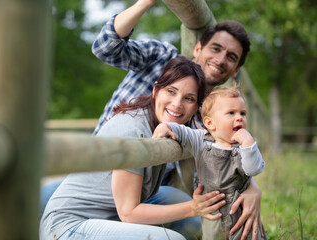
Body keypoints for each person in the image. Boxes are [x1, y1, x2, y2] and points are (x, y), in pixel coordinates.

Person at [90, 1, 262, 239]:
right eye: (215, 48)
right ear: (198, 48)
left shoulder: (212, 116)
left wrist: (253, 187)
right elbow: (104, 48)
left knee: (193, 224)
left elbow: (226, 157)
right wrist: (145, 2)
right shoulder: (161, 57)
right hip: (98, 175)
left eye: (231, 57)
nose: (221, 59)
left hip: (145, 194)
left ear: (235, 70)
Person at [40, 57, 227, 240]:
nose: (177, 103)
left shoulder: (173, 127)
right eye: (171, 91)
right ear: (156, 90)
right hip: (67, 227)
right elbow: (128, 213)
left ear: (196, 107)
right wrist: (193, 208)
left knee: (181, 209)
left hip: (106, 220)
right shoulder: (132, 128)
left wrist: (250, 186)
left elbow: (220, 140)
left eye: (189, 98)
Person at [153, 85, 266, 239]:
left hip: (239, 211)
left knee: (248, 235)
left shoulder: (245, 146)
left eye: (243, 113)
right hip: (212, 211)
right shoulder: (200, 140)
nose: (239, 117)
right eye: (231, 113)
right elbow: (182, 131)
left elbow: (253, 169)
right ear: (210, 123)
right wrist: (165, 126)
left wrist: (248, 142)